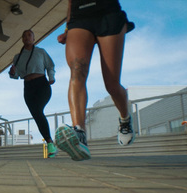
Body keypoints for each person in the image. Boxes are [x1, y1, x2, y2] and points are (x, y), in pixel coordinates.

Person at [55, 0, 135, 161]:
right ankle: (79, 133)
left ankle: (125, 119)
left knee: (111, 85)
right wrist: (67, 26)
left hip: (108, 12)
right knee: (77, 71)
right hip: (79, 18)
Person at [9, 29, 58, 158]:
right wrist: (12, 73)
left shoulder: (41, 52)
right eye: (24, 35)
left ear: (34, 38)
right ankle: (50, 143)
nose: (26, 37)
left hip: (42, 84)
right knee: (37, 114)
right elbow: (17, 75)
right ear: (22, 39)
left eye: (29, 35)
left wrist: (51, 77)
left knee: (37, 111)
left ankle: (50, 143)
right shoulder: (17, 57)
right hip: (28, 87)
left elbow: (50, 66)